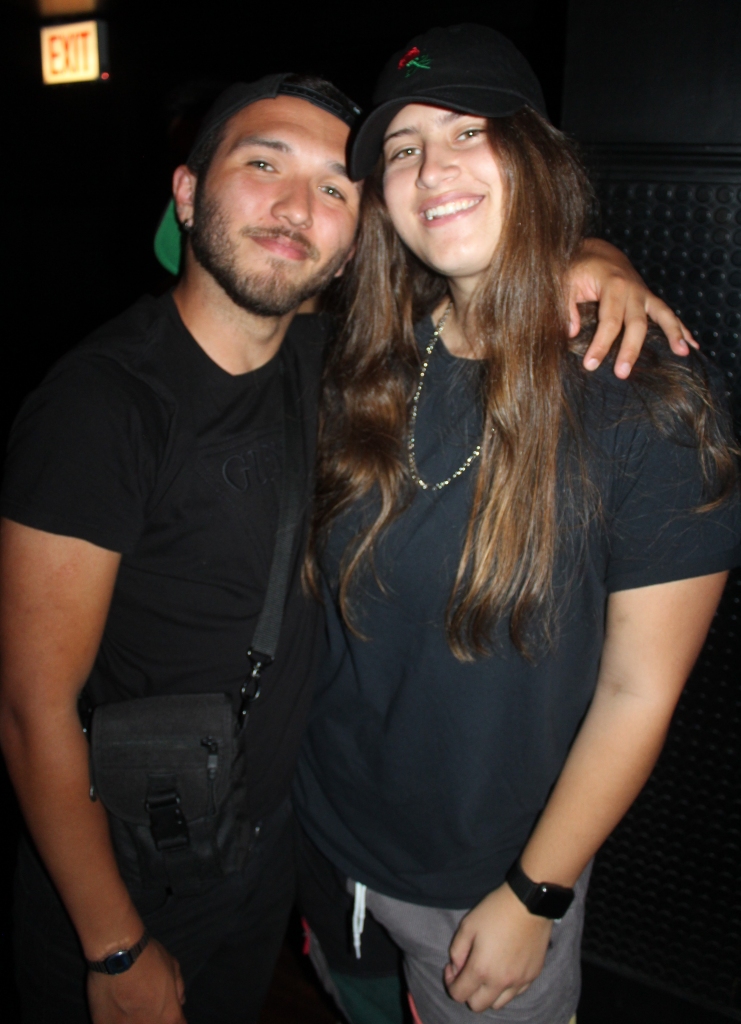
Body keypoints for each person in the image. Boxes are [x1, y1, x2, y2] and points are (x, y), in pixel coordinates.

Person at [0, 62, 693, 1024]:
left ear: (351, 241)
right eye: (263, 164)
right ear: (188, 193)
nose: (297, 207)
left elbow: (492, 269)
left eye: (334, 188)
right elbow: (33, 708)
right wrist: (111, 941)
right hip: (131, 863)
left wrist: (591, 254)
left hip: (276, 851)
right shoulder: (103, 407)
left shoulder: (335, 363)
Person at [293, 25, 741, 1024]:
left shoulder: (645, 399)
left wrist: (537, 891)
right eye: (402, 148)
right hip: (322, 837)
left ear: (535, 156)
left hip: (483, 891)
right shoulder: (361, 365)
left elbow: (637, 690)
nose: (431, 169)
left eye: (468, 131)